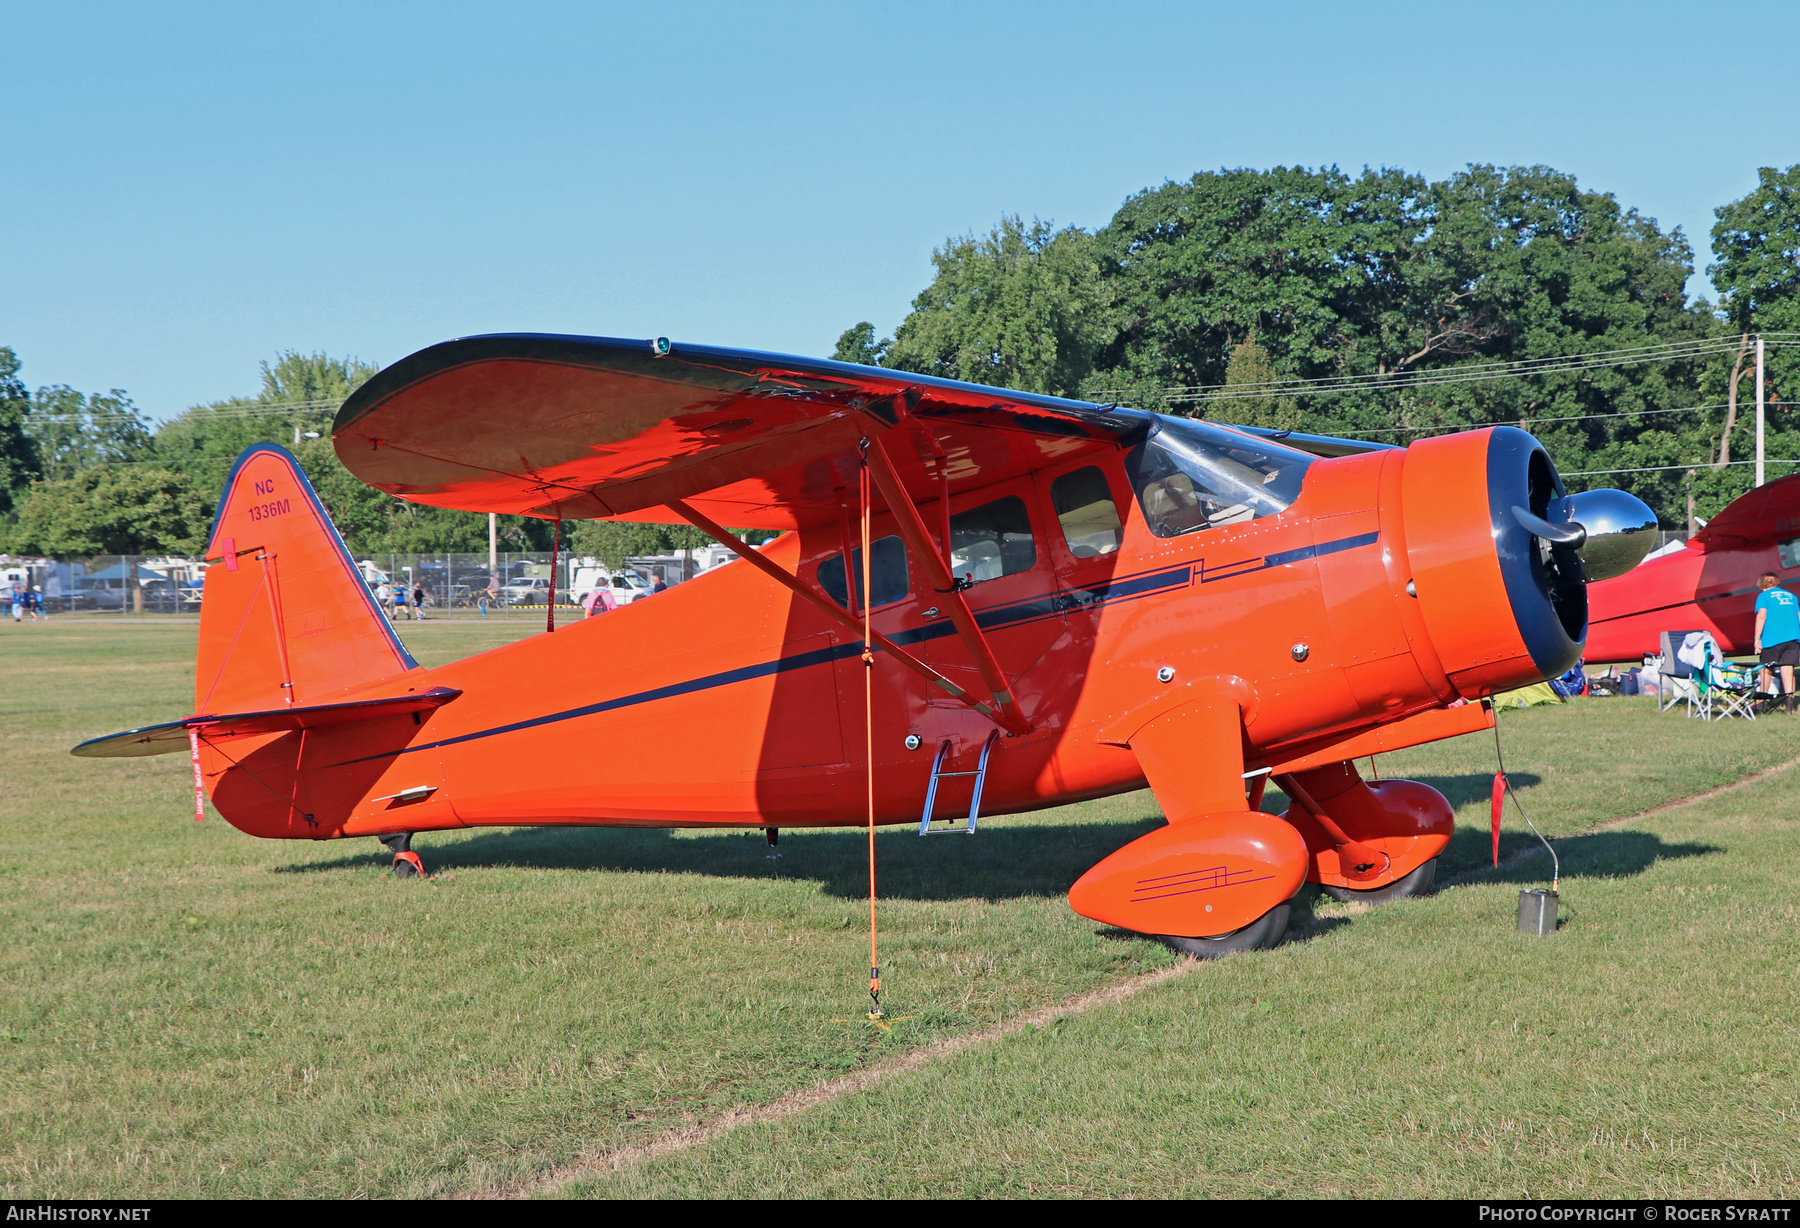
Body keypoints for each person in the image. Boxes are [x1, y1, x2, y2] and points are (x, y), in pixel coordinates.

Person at [1753, 571, 1800, 713]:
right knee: (1788, 670)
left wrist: (1756, 639)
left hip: (1772, 638)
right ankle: (1790, 704)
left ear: (1761, 584)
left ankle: (1761, 703)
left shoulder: (1763, 596)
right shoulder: (1791, 596)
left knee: (1766, 670)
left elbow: (1761, 615)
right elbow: (1798, 616)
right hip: (1793, 638)